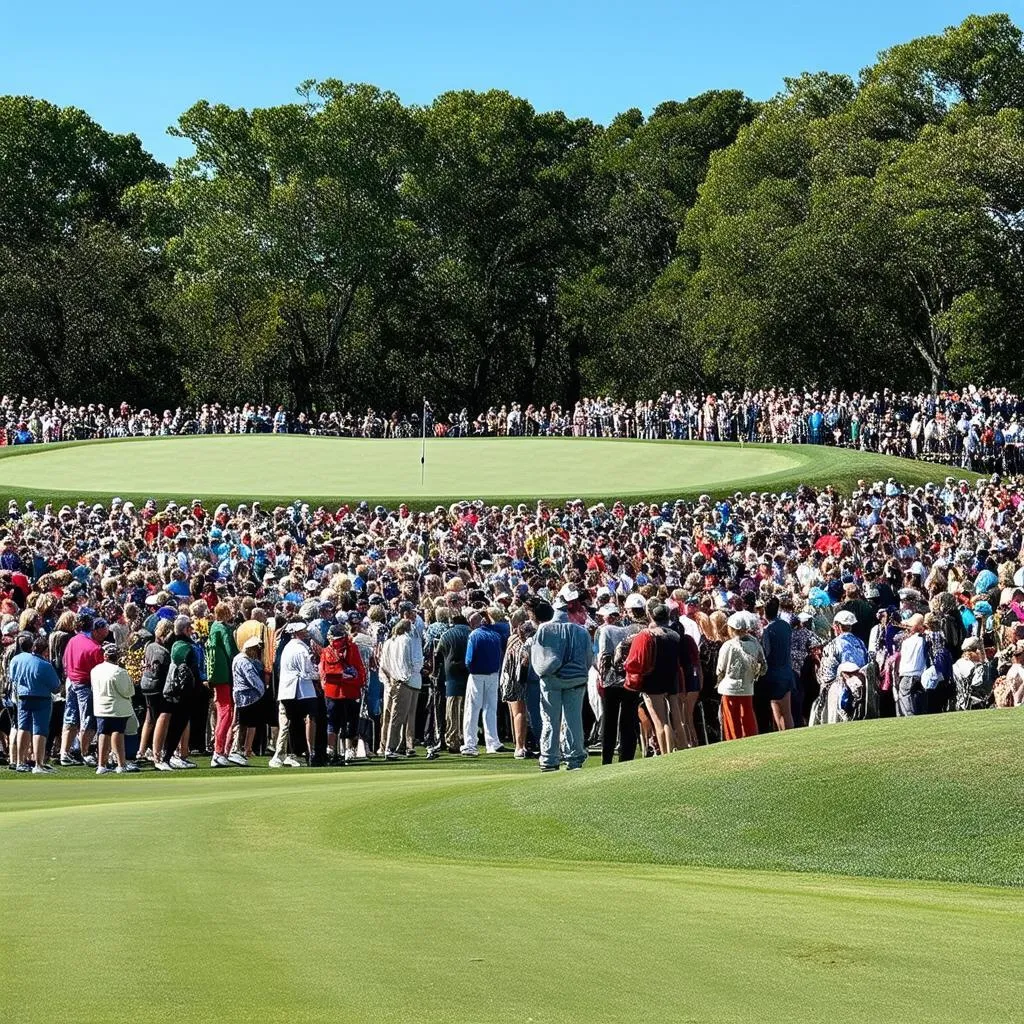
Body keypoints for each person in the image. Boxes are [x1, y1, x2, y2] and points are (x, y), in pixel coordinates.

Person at [529, 594, 592, 772]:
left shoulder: (544, 629)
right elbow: (588, 660)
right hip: (576, 680)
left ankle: (549, 758)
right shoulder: (582, 631)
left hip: (552, 679)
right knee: (573, 719)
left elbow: (538, 658)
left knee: (550, 719)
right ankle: (574, 757)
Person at [623, 601, 680, 756]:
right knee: (675, 719)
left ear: (651, 616)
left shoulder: (647, 635)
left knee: (660, 721)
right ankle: (679, 750)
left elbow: (635, 661)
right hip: (672, 678)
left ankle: (665, 754)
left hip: (653, 680)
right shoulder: (675, 635)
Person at [596, 595, 645, 764]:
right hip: (631, 680)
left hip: (612, 681)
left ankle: (607, 759)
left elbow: (603, 657)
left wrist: (601, 679)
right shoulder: (643, 629)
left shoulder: (608, 630)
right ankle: (626, 759)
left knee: (610, 720)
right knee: (628, 720)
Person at [59, 613, 104, 767]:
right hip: (85, 684)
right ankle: (83, 752)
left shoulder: (72, 640)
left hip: (71, 681)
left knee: (70, 717)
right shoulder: (95, 648)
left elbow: (64, 661)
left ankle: (65, 753)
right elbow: (100, 671)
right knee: (87, 720)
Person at [9, 634, 60, 773]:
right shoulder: (45, 665)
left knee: (23, 727)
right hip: (41, 698)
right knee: (40, 730)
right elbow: (56, 686)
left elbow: (12, 677)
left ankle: (20, 761)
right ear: (44, 651)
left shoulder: (17, 659)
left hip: (22, 697)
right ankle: (38, 764)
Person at [274, 621, 320, 766]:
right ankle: (296, 754)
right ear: (296, 633)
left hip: (291, 690)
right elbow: (308, 672)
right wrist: (321, 675)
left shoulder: (289, 647)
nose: (306, 633)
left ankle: (296, 753)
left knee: (295, 723)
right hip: (298, 690)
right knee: (299, 722)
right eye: (303, 631)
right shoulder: (301, 650)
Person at [319, 623, 366, 763]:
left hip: (333, 690)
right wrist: (360, 683)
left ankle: (331, 750)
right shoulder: (353, 648)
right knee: (351, 722)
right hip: (351, 690)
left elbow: (324, 672)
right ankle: (349, 751)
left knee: (332, 722)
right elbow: (360, 668)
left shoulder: (327, 650)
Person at [716, 612, 767, 740]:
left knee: (732, 721)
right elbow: (763, 666)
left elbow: (720, 669)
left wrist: (719, 680)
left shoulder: (727, 645)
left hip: (730, 688)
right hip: (747, 687)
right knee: (748, 717)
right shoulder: (755, 643)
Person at [378, 618, 424, 760]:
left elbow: (383, 665)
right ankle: (391, 748)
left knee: (394, 716)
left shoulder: (388, 642)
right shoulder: (406, 640)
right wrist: (409, 674)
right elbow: (411, 661)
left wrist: (388, 681)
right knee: (399, 717)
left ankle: (391, 746)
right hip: (405, 682)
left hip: (394, 681)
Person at [461, 610, 506, 757]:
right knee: (490, 709)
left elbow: (469, 659)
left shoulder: (474, 635)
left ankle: (470, 744)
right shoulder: (495, 635)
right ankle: (493, 743)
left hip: (477, 675)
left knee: (472, 710)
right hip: (493, 674)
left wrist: (471, 668)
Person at [90, 642, 139, 774]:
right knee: (117, 732)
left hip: (101, 708)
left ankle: (101, 765)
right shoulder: (119, 672)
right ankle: (121, 764)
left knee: (103, 733)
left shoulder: (95, 670)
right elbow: (128, 691)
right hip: (117, 708)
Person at [498, 610, 535, 759]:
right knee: (521, 713)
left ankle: (520, 746)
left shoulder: (511, 640)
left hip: (509, 679)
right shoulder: (526, 644)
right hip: (520, 680)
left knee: (517, 713)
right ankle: (521, 747)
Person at [207, 602, 238, 768]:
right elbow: (230, 652)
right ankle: (219, 751)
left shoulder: (213, 628)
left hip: (217, 677)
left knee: (222, 711)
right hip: (225, 676)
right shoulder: (224, 629)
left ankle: (220, 751)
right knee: (226, 712)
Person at [435, 612, 470, 754]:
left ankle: (452, 739)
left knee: (452, 709)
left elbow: (437, 654)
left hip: (451, 674)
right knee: (466, 708)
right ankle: (464, 738)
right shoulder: (471, 633)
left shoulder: (447, 635)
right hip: (468, 672)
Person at [760, 597, 795, 731]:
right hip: (786, 671)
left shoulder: (768, 630)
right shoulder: (785, 626)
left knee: (778, 711)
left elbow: (766, 652)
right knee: (787, 712)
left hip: (774, 674)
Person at [231, 635, 266, 763]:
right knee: (247, 724)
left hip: (241, 696)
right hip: (248, 697)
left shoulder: (237, 658)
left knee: (246, 723)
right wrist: (263, 690)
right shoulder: (245, 662)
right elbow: (253, 679)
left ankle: (245, 749)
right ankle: (243, 749)